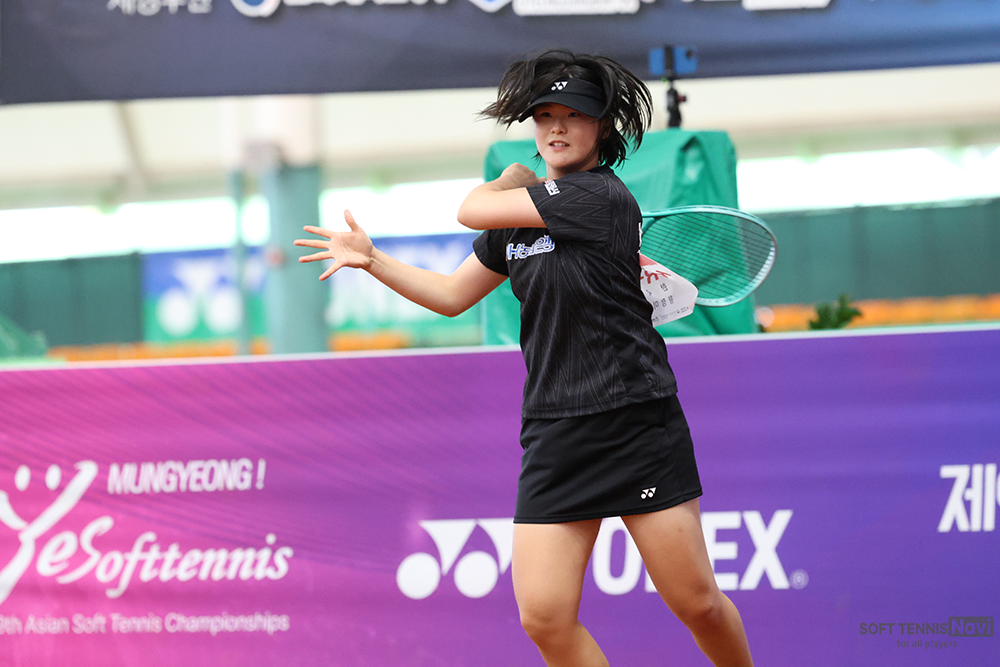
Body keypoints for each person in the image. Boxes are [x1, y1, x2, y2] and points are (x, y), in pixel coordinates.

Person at [294, 49, 754, 667]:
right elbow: (451, 295)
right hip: (554, 430)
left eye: (574, 115)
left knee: (697, 604)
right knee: (544, 618)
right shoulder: (522, 219)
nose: (556, 128)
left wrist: (511, 178)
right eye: (544, 116)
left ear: (603, 127)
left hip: (633, 422)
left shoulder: (598, 197)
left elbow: (470, 209)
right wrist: (373, 261)